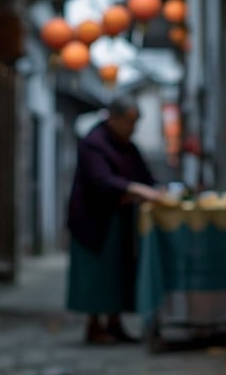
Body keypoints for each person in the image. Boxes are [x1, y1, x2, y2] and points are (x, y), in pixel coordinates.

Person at [65, 96, 170, 345]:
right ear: (113, 118)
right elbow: (102, 180)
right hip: (92, 219)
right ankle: (94, 325)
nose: (131, 128)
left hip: (118, 218)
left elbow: (144, 176)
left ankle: (114, 323)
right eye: (129, 122)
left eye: (135, 123)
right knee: (96, 274)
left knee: (118, 272)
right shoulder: (94, 143)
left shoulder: (127, 146)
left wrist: (157, 189)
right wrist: (137, 189)